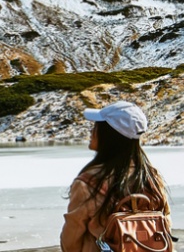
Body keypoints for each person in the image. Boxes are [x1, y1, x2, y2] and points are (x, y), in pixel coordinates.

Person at [61, 101, 170, 251]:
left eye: (97, 126)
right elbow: (166, 225)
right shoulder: (151, 176)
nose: (92, 131)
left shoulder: (88, 183)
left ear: (109, 135)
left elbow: (72, 239)